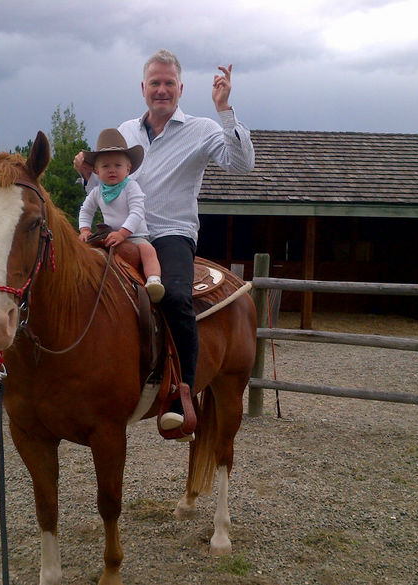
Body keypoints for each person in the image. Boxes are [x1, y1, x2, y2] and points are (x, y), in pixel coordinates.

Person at [74, 49, 255, 437]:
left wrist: (225, 109)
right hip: (120, 231)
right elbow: (108, 188)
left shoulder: (203, 129)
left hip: (170, 233)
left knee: (174, 296)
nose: (161, 90)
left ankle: (180, 394)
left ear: (180, 88)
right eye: (155, 83)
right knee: (73, 283)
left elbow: (242, 164)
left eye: (168, 83)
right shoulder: (123, 132)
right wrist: (88, 176)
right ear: (143, 88)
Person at [78, 128, 165, 302]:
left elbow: (137, 212)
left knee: (147, 250)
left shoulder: (130, 187)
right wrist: (85, 230)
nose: (112, 170)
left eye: (117, 165)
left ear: (128, 169)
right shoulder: (97, 191)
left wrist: (123, 233)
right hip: (110, 235)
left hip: (134, 235)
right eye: (105, 166)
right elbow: (86, 210)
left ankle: (153, 280)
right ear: (96, 171)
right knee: (89, 252)